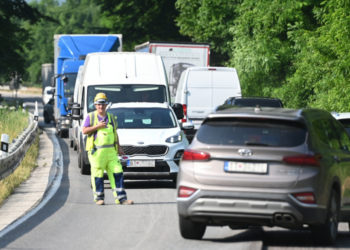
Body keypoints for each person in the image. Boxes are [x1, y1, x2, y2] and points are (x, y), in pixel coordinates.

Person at [82, 92, 133, 205]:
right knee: (98, 175)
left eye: (103, 104)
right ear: (95, 105)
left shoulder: (111, 117)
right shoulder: (91, 117)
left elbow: (115, 133)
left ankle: (121, 199)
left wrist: (119, 148)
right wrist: (97, 126)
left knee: (118, 172)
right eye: (99, 104)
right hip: (97, 152)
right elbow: (84, 130)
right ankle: (99, 198)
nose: (101, 106)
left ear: (106, 105)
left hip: (111, 152)